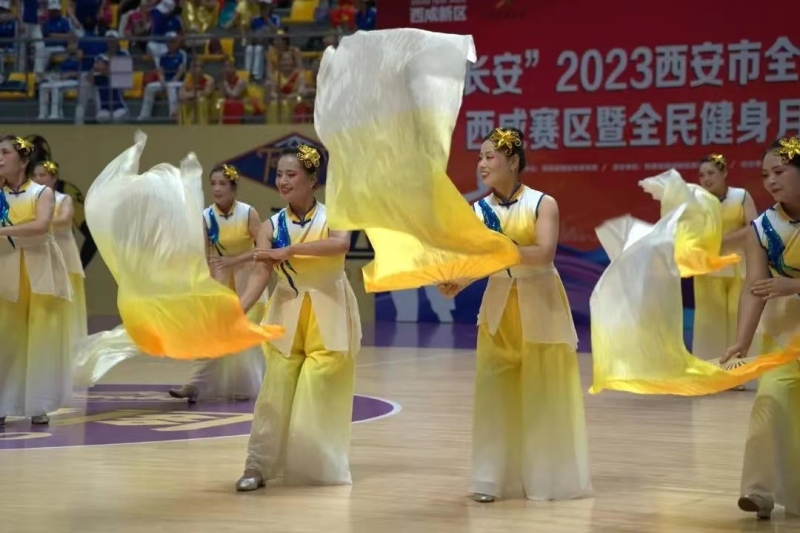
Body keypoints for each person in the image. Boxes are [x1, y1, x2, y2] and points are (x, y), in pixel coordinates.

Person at [439, 127, 592, 502]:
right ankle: (491, 478)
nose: (482, 164)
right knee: (494, 393)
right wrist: (460, 281)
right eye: (479, 157)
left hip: (541, 303)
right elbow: (481, 261)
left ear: (512, 160)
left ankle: (547, 478)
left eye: (489, 156)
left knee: (543, 394)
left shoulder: (543, 203)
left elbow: (543, 253)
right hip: (498, 306)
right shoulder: (479, 210)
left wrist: (498, 251)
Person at [235, 144, 361, 492]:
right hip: (286, 313)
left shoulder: (334, 215)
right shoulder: (271, 225)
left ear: (311, 180)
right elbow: (261, 272)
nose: (283, 181)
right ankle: (257, 466)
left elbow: (340, 244)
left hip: (330, 311)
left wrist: (290, 250)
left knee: (317, 389)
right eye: (279, 175)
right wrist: (238, 308)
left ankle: (312, 465)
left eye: (291, 174)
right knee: (273, 393)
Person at [721, 137, 800, 520]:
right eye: (765, 174)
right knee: (768, 404)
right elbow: (755, 287)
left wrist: (794, 285)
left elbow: (781, 285)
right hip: (783, 334)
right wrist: (740, 342)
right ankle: (758, 491)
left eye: (779, 171)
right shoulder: (763, 227)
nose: (770, 181)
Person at [169, 164, 266, 402]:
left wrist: (234, 260)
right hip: (220, 283)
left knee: (245, 336)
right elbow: (203, 254)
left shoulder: (248, 213)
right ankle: (194, 385)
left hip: (248, 283)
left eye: (222, 183)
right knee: (211, 334)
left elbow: (263, 250)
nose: (217, 188)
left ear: (233, 187)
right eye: (213, 183)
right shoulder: (207, 216)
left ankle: (249, 388)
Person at [0, 136, 73, 426]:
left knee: (40, 338)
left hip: (40, 270)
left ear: (23, 160)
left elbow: (42, 226)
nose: (0, 158)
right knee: (6, 338)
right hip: (6, 268)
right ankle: (3, 402)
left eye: (5, 152)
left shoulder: (41, 192)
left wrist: (2, 232)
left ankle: (37, 402)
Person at [693, 154, 758, 362]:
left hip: (740, 268)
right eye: (702, 175)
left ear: (724, 173)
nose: (706, 179)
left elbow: (754, 229)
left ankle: (741, 371)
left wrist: (723, 242)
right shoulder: (696, 200)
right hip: (707, 270)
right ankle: (711, 370)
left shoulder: (741, 196)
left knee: (740, 319)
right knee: (709, 324)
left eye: (711, 173)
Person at [32, 159, 87, 358]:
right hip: (41, 258)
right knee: (42, 305)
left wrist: (38, 222)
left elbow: (64, 219)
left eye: (43, 175)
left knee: (65, 305)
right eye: (35, 176)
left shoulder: (64, 199)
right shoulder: (30, 201)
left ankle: (69, 352)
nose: (38, 179)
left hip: (64, 258)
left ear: (53, 178)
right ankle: (44, 350)